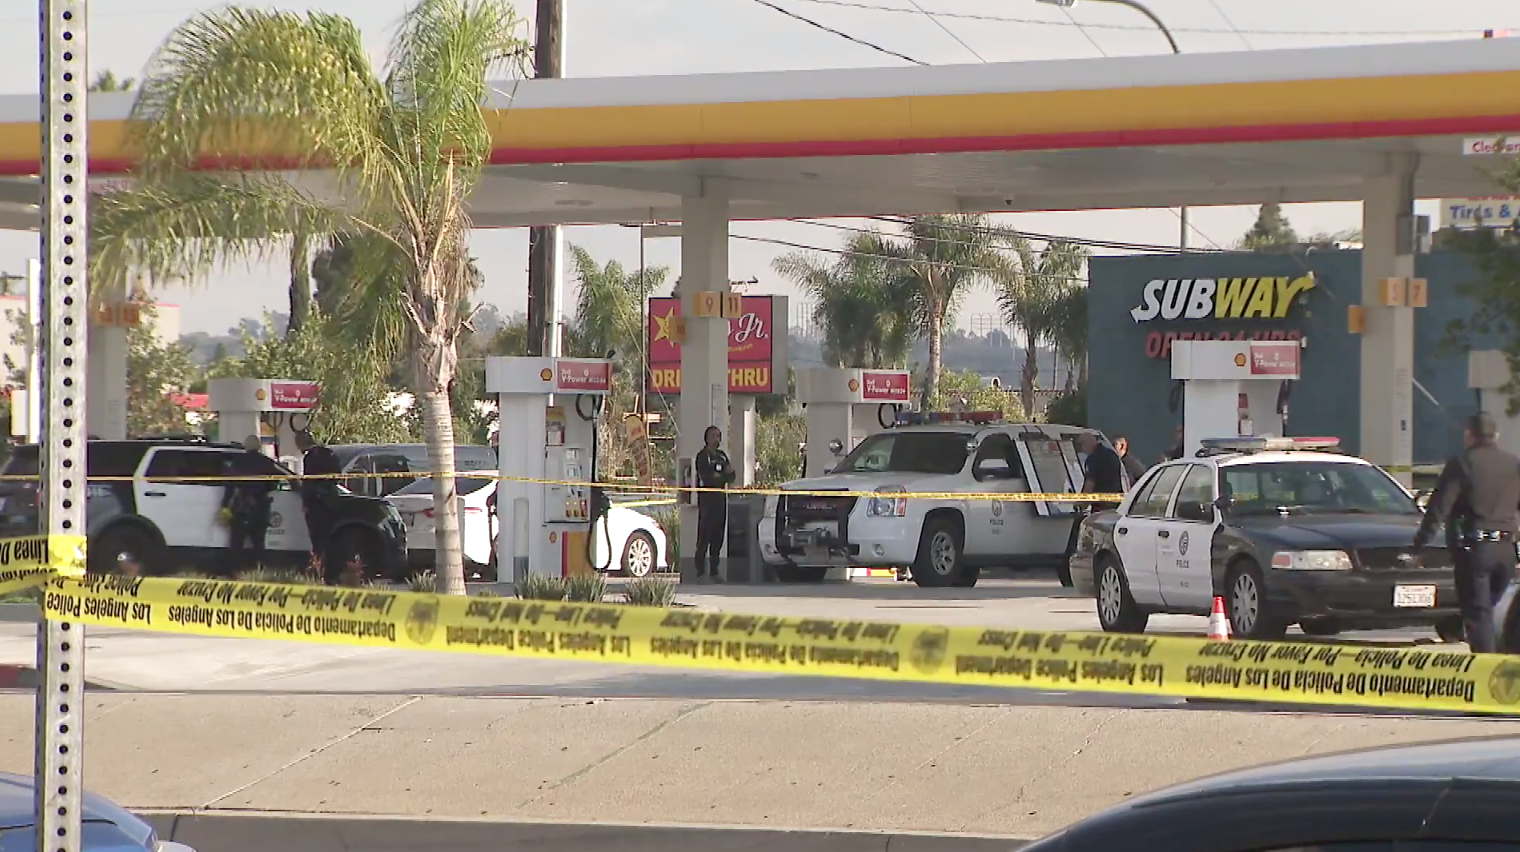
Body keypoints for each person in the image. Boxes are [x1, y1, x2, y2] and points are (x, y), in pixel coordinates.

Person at [1414, 412, 1520, 654]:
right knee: (1486, 608)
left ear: (1468, 435)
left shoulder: (1462, 463)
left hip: (1475, 549)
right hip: (1506, 551)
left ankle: (1484, 669)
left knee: (1478, 612)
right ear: (1497, 435)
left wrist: (1420, 546)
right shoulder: (1513, 463)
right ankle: (1474, 639)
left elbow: (1439, 508)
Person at [1061, 432, 1127, 586]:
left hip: (1100, 506)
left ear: (1088, 443)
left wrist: (1081, 503)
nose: (1082, 450)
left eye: (1082, 446)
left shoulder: (1094, 459)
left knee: (1093, 541)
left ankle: (1088, 575)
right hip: (1115, 504)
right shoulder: (1111, 455)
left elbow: (1090, 484)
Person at [221, 435, 277, 574]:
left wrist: (225, 505)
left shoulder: (238, 462)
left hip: (242, 507)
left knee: (237, 543)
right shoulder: (267, 462)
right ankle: (259, 571)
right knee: (258, 543)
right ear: (259, 447)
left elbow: (230, 485)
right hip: (260, 507)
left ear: (246, 446)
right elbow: (273, 484)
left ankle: (234, 572)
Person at [295, 430, 343, 583]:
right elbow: (337, 476)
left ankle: (321, 574)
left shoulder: (310, 457)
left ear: (301, 443)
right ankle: (333, 574)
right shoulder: (328, 453)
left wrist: (306, 502)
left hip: (317, 503)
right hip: (332, 502)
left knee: (318, 541)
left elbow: (309, 482)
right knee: (330, 540)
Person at [693, 425, 736, 583]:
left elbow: (731, 475)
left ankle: (714, 571)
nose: (716, 439)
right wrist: (720, 476)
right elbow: (708, 477)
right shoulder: (703, 456)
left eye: (718, 436)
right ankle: (700, 572)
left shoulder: (722, 456)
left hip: (720, 500)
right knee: (705, 536)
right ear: (707, 438)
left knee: (718, 537)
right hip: (706, 502)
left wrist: (722, 476)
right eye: (713, 436)